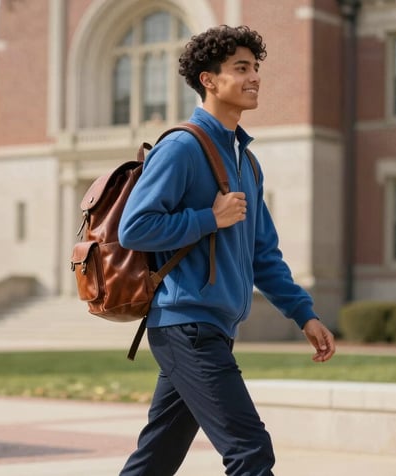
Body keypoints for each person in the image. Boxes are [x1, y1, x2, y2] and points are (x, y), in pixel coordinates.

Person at [117, 25, 336, 475]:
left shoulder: (245, 162)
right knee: (251, 452)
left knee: (154, 461)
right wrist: (208, 219)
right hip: (186, 326)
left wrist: (305, 314)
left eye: (256, 68)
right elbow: (133, 228)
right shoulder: (181, 146)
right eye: (241, 68)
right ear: (208, 80)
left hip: (210, 328)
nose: (254, 77)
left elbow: (263, 254)